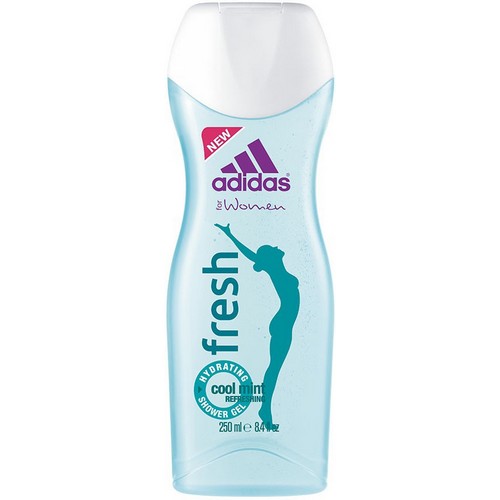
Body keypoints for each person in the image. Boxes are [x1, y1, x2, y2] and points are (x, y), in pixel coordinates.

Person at [215, 223, 300, 428]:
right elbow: (251, 255)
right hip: (282, 325)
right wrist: (230, 235)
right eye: (272, 249)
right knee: (274, 369)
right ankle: (265, 409)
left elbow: (255, 256)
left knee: (274, 368)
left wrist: (230, 234)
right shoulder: (274, 270)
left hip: (284, 324)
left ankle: (265, 408)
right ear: (270, 258)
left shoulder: (278, 268)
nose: (276, 247)